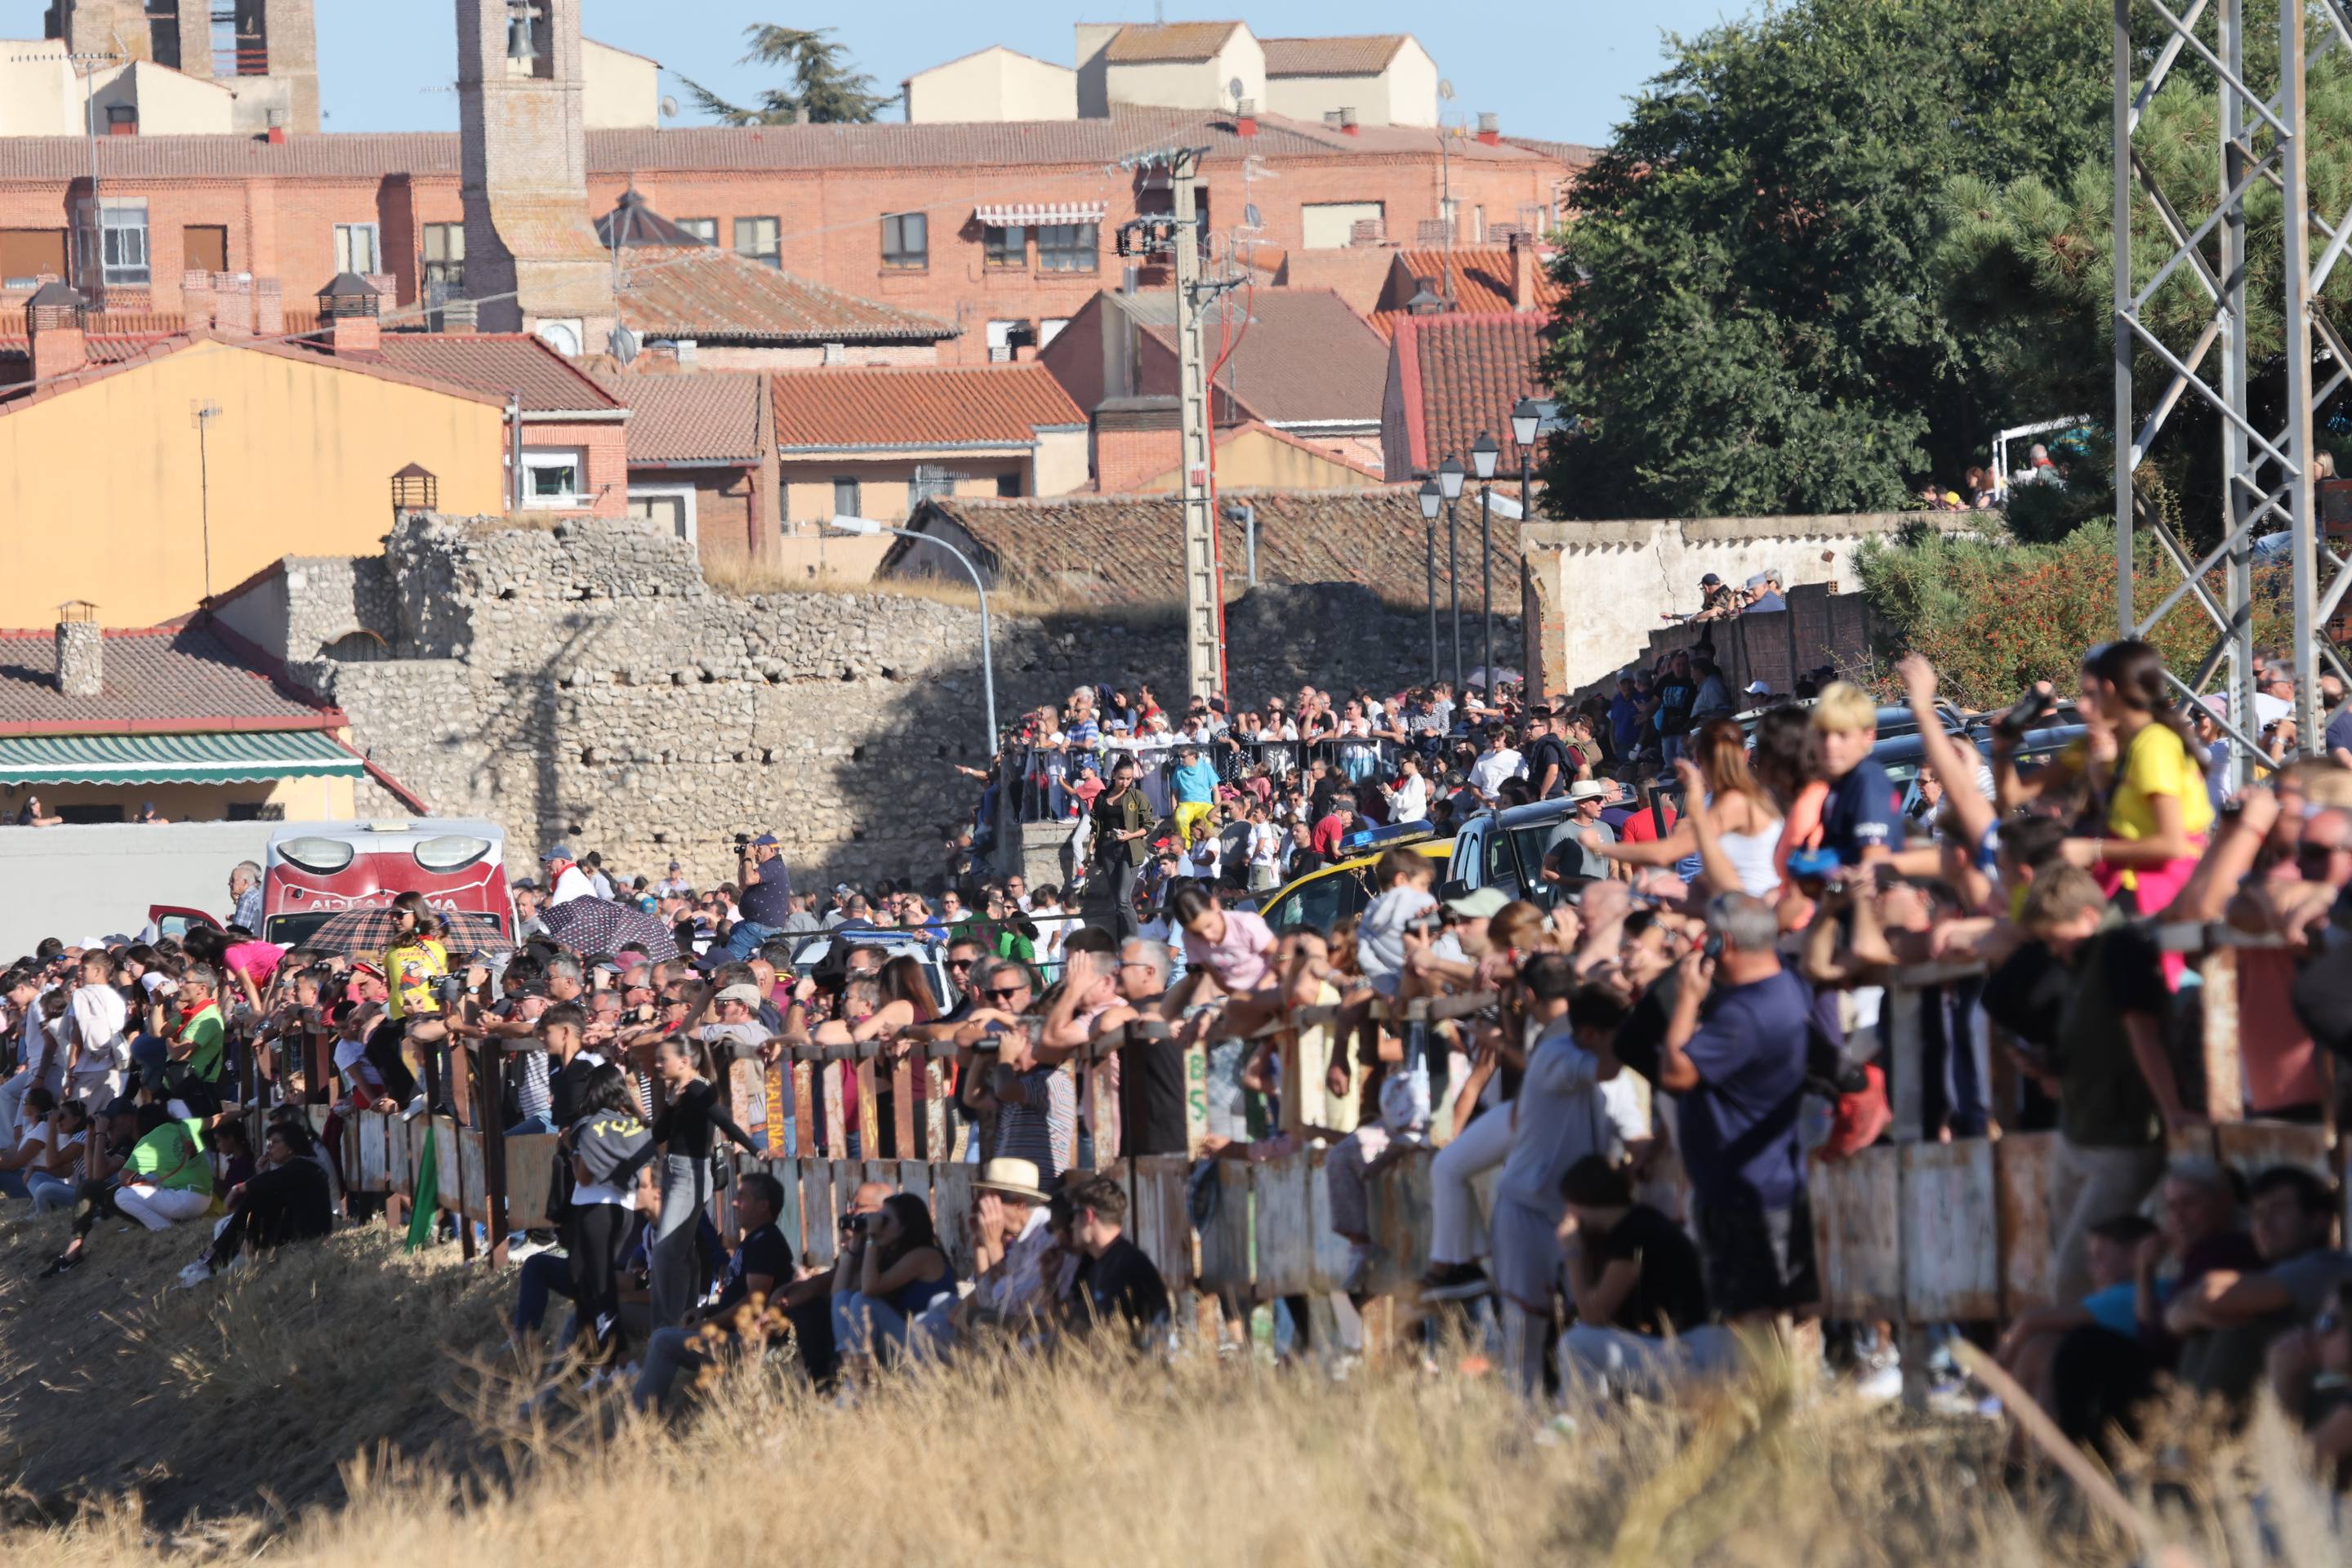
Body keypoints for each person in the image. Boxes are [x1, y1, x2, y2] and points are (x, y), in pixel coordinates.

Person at [1987, 865, 2186, 1301]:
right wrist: (2048, 1068)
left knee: (2078, 1273)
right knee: (2069, 1262)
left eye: (2057, 937)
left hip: (2121, 1139)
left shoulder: (2118, 950)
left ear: (2089, 918)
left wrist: (2171, 1111)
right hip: (2081, 1130)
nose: (2055, 951)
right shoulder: (2083, 959)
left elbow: (2142, 1034)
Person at [1656, 893, 1816, 1322]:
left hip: (1743, 1194)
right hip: (1773, 1179)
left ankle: (1771, 1390)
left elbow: (1676, 1074)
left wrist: (1687, 998)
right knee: (1793, 1310)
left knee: (1751, 1318)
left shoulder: (1746, 1013)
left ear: (1722, 943)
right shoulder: (1786, 984)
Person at [1490, 960, 1635, 1396]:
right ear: (1591, 1035)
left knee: (1588, 1324)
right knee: (1526, 1331)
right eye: (1616, 1036)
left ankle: (1583, 1422)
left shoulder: (1591, 1054)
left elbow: (1628, 1119)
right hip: (1528, 1209)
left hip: (1578, 1212)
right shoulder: (1558, 1055)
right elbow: (1608, 1071)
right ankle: (1523, 1424)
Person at [1558, 1154, 1735, 1396]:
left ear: (1581, 1202)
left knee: (1576, 1344)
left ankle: (1588, 1429)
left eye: (1568, 1205)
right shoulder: (1641, 1221)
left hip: (1695, 1354)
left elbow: (1593, 1316)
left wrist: (1573, 1252)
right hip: (1703, 1349)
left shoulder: (1632, 1235)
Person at [630, 1172, 794, 1414]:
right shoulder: (754, 1240)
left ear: (763, 1206)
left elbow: (754, 1302)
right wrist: (705, 1310)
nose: (735, 1202)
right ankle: (652, 1413)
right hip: (730, 1335)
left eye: (742, 1197)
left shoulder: (766, 1241)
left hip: (750, 1344)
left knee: (664, 1341)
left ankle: (639, 1420)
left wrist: (709, 1323)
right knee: (665, 1335)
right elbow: (741, 1296)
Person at [648, 1034, 759, 1328]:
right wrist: (670, 1104)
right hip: (675, 1172)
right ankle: (683, 1320)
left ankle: (663, 1327)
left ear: (683, 1062)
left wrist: (755, 1149)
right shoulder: (681, 1091)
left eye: (663, 1059)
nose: (658, 1064)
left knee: (664, 1254)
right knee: (683, 1253)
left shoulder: (697, 1089)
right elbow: (658, 1135)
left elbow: (723, 1120)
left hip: (689, 1176)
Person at [175, 1117, 335, 1287]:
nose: (270, 1147)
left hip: (306, 1232)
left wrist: (236, 1190)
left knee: (255, 1199)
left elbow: (271, 1181)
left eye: (276, 1142)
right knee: (256, 1201)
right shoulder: (297, 1166)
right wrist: (259, 1173)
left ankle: (216, 1261)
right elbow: (270, 1184)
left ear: (291, 1146)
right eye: (269, 1142)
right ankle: (212, 1262)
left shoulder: (304, 1165)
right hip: (295, 1226)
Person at [956, 1156, 1075, 1341]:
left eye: (990, 1204)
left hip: (1046, 1325)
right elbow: (988, 1298)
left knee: (976, 1321)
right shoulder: (1022, 1236)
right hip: (1023, 1320)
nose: (983, 1211)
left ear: (1020, 1205)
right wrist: (981, 1246)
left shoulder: (1045, 1235)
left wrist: (994, 1247)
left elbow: (1009, 1306)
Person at [832, 1192, 957, 1364]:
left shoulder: (925, 1256)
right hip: (905, 1342)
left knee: (862, 1300)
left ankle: (860, 1379)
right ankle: (854, 1372)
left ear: (904, 1228)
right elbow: (838, 1293)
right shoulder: (889, 1255)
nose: (879, 1224)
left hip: (929, 1347)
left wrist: (872, 1237)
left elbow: (869, 1289)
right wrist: (854, 1246)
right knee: (844, 1298)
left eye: (885, 1220)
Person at [1062, 1172, 1170, 1345]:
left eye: (1073, 1215)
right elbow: (1072, 1331)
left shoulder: (1129, 1266)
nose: (1072, 1224)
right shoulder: (1095, 1264)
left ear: (1088, 1216)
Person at [1811, 682, 1899, 868]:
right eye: (1823, 734)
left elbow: (1875, 864)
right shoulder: (1841, 780)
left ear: (1869, 736)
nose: (1830, 745)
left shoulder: (1867, 780)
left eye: (1843, 735)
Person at [1091, 756, 1153, 943]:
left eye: (1128, 778)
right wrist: (1093, 846)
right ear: (1113, 775)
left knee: (1123, 898)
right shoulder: (1102, 797)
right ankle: (1122, 940)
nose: (1125, 782)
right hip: (1108, 848)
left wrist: (1131, 835)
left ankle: (1135, 941)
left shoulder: (1137, 797)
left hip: (1129, 849)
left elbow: (1149, 826)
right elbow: (1096, 824)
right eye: (1121, 778)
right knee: (1117, 901)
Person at [229, 860, 265, 933]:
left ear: (245, 882)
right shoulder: (255, 895)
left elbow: (238, 932)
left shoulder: (247, 898)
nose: (230, 884)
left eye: (233, 880)